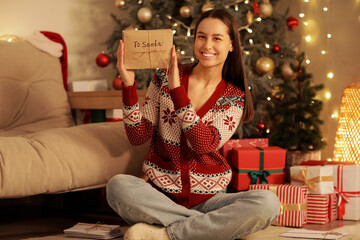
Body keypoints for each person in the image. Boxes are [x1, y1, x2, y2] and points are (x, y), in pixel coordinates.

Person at [106, 8, 280, 240]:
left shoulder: (233, 96)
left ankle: (166, 234)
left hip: (211, 201)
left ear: (231, 45)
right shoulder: (162, 78)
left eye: (217, 38)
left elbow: (203, 144)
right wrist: (128, 85)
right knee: (117, 186)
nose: (207, 45)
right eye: (201, 36)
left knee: (267, 203)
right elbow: (138, 136)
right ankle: (208, 230)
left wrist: (177, 91)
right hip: (161, 199)